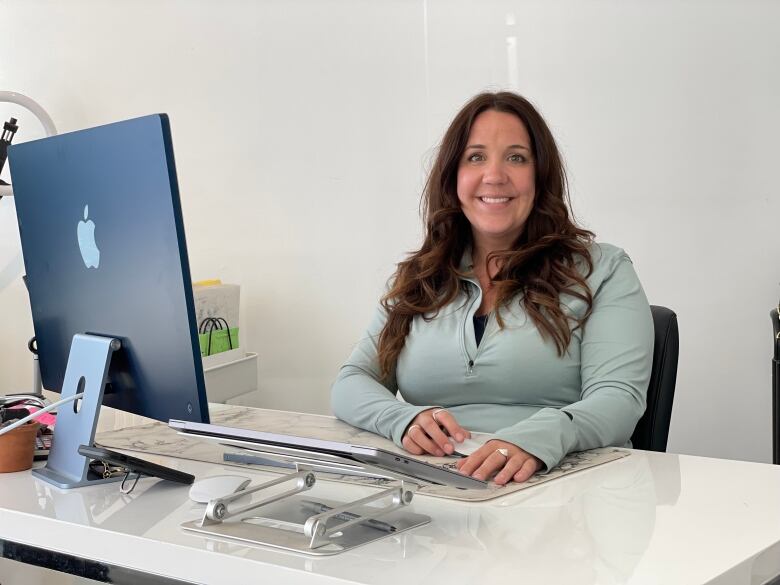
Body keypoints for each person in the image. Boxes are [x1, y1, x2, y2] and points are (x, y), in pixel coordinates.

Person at [331, 91, 654, 485]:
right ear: (454, 178)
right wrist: (404, 418)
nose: (495, 175)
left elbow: (619, 400)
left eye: (516, 157)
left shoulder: (602, 269)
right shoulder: (418, 279)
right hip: (432, 487)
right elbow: (351, 383)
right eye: (476, 157)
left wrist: (537, 440)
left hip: (561, 488)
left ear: (540, 175)